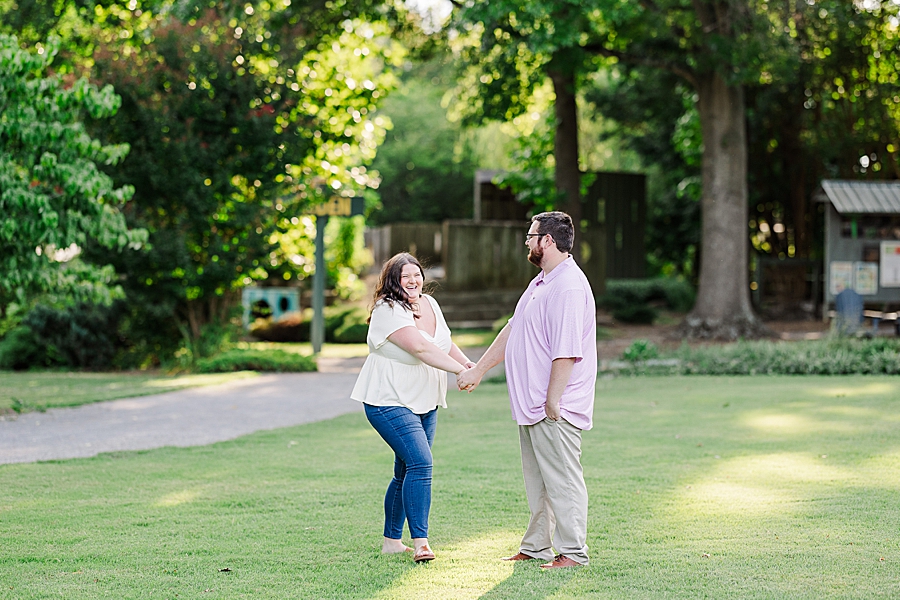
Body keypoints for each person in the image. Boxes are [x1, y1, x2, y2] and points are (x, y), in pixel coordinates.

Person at [457, 211, 597, 569]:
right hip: (532, 404)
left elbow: (567, 350)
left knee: (563, 479)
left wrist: (553, 400)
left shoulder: (567, 286)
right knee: (539, 481)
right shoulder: (542, 282)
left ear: (547, 241)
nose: (527, 242)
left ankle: (573, 553)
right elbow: (513, 329)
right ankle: (537, 546)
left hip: (554, 406)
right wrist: (479, 369)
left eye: (531, 236)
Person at [351, 252, 474, 563]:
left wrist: (467, 364)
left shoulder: (430, 304)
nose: (412, 280)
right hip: (387, 398)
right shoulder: (387, 309)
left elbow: (442, 343)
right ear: (392, 281)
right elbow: (419, 347)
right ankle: (421, 542)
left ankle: (391, 541)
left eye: (416, 274)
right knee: (421, 463)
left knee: (405, 469)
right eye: (404, 276)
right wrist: (459, 372)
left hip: (424, 398)